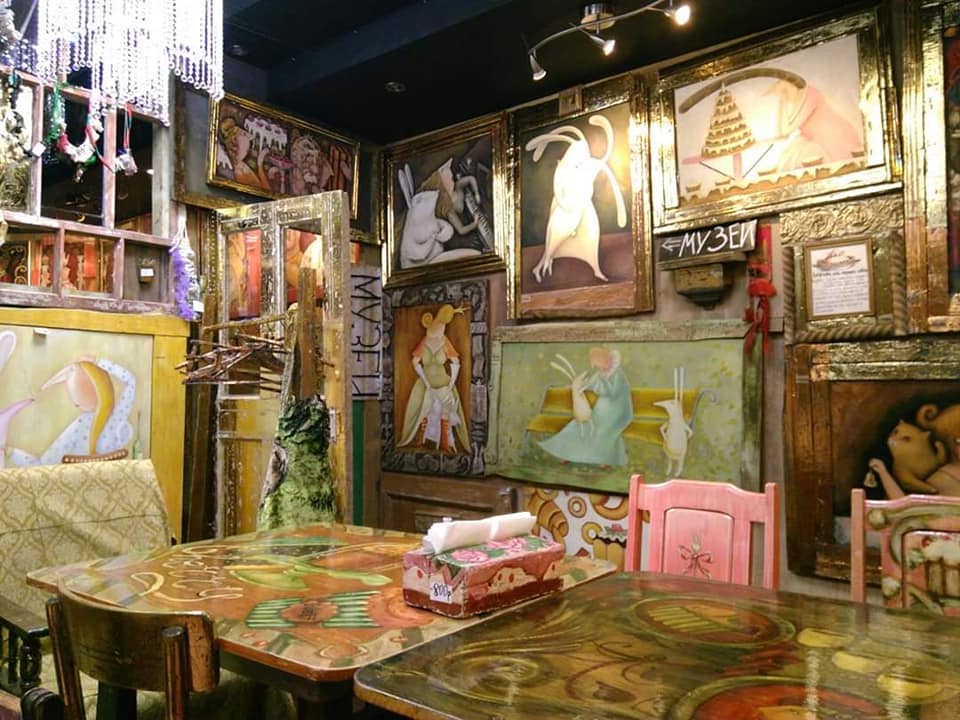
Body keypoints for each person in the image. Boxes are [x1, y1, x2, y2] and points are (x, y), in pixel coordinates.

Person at [8, 357, 135, 466]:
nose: (76, 404)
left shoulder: (81, 424)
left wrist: (12, 453)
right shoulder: (117, 418)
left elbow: (44, 464)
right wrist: (99, 361)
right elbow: (131, 381)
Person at [538, 347, 633, 467]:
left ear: (607, 360)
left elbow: (613, 393)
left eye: (600, 364)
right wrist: (578, 386)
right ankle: (568, 454)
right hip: (603, 410)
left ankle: (604, 459)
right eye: (597, 366)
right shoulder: (601, 373)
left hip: (618, 412)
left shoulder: (618, 374)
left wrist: (603, 381)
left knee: (602, 428)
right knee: (579, 424)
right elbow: (590, 384)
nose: (600, 368)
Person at [397, 304, 470, 454]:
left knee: (445, 409)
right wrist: (425, 381)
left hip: (443, 382)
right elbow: (415, 362)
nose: (440, 328)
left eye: (442, 325)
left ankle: (445, 441)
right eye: (438, 324)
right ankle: (421, 439)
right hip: (425, 383)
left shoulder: (445, 341)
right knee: (421, 408)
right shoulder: (424, 342)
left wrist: (451, 384)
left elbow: (456, 362)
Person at [219, 116, 271, 190]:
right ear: (234, 144)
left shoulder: (241, 165)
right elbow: (266, 190)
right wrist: (260, 164)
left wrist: (260, 161)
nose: (250, 137)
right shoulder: (239, 172)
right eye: (246, 150)